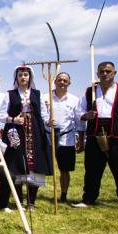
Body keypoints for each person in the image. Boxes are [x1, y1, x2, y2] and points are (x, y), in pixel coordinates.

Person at [73, 61, 118, 214]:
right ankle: (88, 199)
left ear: (114, 73)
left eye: (108, 71)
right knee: (92, 171)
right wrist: (85, 118)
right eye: (102, 71)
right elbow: (78, 114)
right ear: (97, 74)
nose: (105, 74)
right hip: (94, 136)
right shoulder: (89, 92)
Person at [0, 66, 52, 210]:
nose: (23, 77)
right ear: (16, 78)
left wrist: (48, 122)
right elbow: (0, 115)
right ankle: (19, 201)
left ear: (30, 77)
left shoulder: (37, 94)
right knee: (16, 165)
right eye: (20, 75)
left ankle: (31, 202)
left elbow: (44, 114)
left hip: (35, 132)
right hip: (16, 132)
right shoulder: (9, 94)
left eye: (26, 75)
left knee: (35, 167)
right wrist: (13, 119)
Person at [46, 72, 80, 203]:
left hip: (67, 139)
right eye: (59, 80)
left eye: (65, 81)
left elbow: (78, 121)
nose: (62, 82)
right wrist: (46, 122)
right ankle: (33, 194)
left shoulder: (74, 100)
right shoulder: (46, 97)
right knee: (42, 167)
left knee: (64, 169)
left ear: (69, 83)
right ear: (55, 82)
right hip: (48, 136)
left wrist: (80, 138)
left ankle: (63, 195)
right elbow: (42, 115)